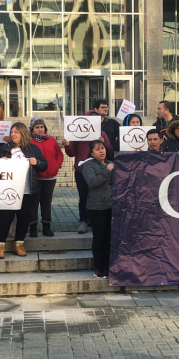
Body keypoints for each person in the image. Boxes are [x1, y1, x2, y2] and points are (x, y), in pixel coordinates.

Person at [0, 122, 47, 259]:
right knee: (5, 218)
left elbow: (44, 165)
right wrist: (0, 161)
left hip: (27, 190)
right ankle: (0, 246)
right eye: (12, 132)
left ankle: (19, 243)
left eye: (16, 132)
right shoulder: (5, 148)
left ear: (23, 133)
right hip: (8, 191)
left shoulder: (33, 149)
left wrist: (37, 163)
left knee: (24, 218)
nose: (13, 134)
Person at [63, 110, 114, 234]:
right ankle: (83, 221)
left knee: (99, 195)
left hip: (99, 171)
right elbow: (71, 153)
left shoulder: (102, 134)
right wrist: (66, 145)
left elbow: (110, 151)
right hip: (82, 171)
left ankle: (94, 219)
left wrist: (103, 142)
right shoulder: (77, 134)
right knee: (83, 196)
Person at [79, 139, 113, 279]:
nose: (102, 151)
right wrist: (106, 171)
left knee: (109, 238)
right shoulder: (88, 165)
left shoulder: (110, 163)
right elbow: (92, 183)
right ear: (92, 152)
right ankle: (98, 267)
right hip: (96, 207)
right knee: (99, 237)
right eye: (98, 149)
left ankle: (107, 266)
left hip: (111, 206)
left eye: (103, 148)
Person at [29, 118, 63, 238]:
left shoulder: (51, 139)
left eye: (42, 127)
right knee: (33, 204)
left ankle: (46, 227)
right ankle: (33, 227)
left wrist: (57, 165)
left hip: (50, 178)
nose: (40, 129)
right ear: (32, 129)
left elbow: (59, 154)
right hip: (35, 178)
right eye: (37, 127)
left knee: (46, 203)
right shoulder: (29, 141)